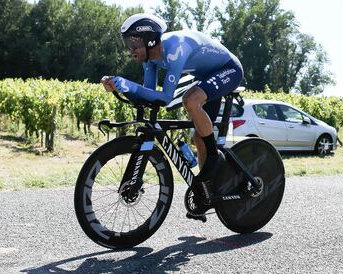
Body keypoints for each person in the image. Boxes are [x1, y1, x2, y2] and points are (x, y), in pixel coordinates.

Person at [102, 13, 244, 217]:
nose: (130, 50)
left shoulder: (176, 48)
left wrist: (127, 84)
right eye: (127, 44)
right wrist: (120, 87)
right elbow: (149, 95)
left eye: (133, 43)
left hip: (228, 68)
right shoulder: (149, 60)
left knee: (191, 100)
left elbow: (165, 97)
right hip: (207, 76)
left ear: (150, 39)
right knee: (198, 137)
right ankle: (207, 191)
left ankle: (215, 157)